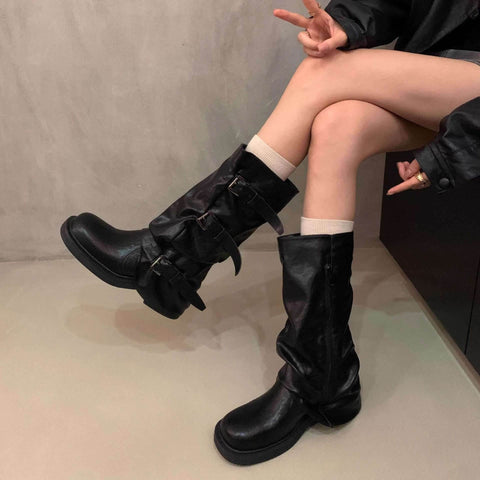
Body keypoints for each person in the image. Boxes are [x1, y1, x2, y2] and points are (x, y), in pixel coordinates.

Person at [60, 0, 480, 466]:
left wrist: (455, 152)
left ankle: (172, 255)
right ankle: (323, 375)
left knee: (326, 71)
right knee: (337, 125)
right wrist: (346, 23)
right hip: (437, 73)